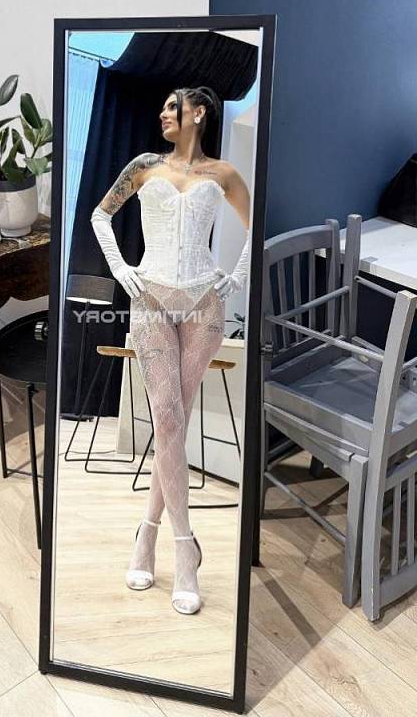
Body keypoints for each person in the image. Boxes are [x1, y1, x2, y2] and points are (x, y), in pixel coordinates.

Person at [91, 86, 250, 615]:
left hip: (204, 304)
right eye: (161, 106)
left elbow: (257, 227)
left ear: (198, 113)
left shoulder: (223, 174)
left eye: (172, 106)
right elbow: (99, 216)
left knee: (172, 425)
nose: (162, 113)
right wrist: (120, 268)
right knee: (167, 419)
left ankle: (148, 533)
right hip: (151, 299)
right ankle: (184, 549)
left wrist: (236, 279)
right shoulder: (143, 166)